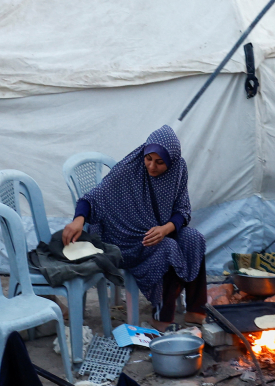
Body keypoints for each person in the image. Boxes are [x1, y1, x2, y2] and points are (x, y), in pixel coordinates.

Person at [61, 126, 206, 331]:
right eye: (149, 159)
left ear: (171, 160)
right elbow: (92, 198)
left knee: (193, 238)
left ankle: (196, 309)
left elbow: (183, 209)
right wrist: (78, 220)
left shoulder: (179, 169)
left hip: (158, 231)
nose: (152, 166)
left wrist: (165, 229)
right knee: (168, 248)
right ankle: (162, 316)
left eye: (160, 162)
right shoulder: (129, 168)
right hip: (124, 239)